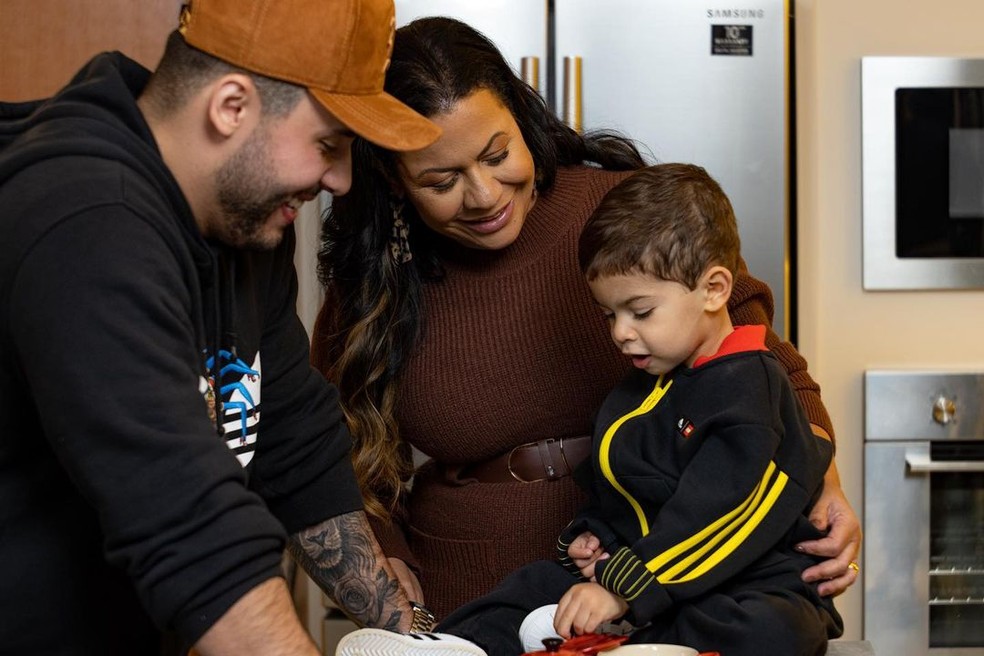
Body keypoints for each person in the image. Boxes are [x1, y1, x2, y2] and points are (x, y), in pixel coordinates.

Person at [311, 16, 861, 622]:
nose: (485, 195)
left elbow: (763, 359)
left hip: (661, 578)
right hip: (471, 587)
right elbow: (326, 438)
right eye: (442, 180)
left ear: (523, 121)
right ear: (395, 181)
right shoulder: (377, 276)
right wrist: (384, 553)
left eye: (498, 156)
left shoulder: (619, 214)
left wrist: (822, 475)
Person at [0, 0, 444, 654]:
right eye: (328, 145)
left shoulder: (243, 230)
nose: (342, 181)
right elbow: (192, 528)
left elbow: (294, 440)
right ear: (231, 106)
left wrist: (413, 639)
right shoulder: (87, 222)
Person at [335, 163, 844, 656]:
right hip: (641, 574)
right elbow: (626, 487)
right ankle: (454, 645)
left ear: (714, 290)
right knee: (530, 583)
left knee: (772, 631)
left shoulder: (749, 387)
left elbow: (724, 514)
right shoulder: (644, 386)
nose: (621, 333)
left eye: (640, 312)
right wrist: (594, 535)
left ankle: (620, 641)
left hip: (744, 576)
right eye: (609, 315)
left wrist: (624, 585)